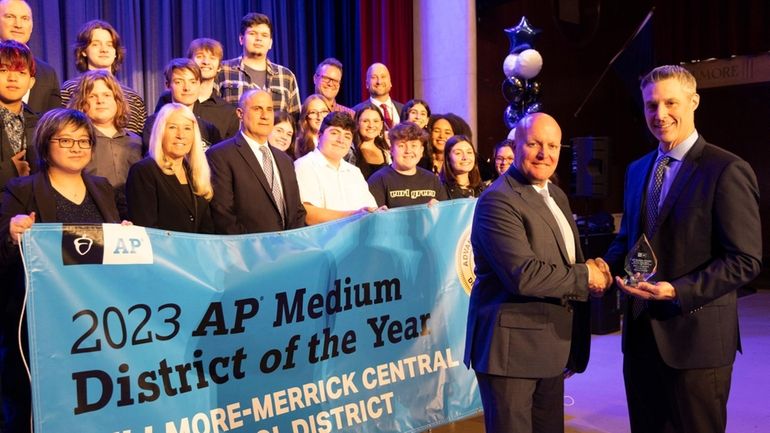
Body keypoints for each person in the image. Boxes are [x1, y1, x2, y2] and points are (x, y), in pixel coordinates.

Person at [603, 65, 762, 433]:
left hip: (698, 344)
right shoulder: (638, 169)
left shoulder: (726, 169)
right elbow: (628, 239)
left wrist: (678, 290)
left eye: (670, 102)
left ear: (694, 102)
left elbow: (745, 260)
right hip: (641, 337)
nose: (659, 114)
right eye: (650, 105)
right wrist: (603, 267)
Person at [464, 112, 611, 433]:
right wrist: (586, 277)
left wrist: (592, 271)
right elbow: (523, 274)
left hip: (550, 345)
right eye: (534, 144)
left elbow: (565, 259)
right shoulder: (497, 201)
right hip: (511, 352)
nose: (545, 154)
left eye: (553, 145)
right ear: (515, 146)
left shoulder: (555, 193)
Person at [0, 108, 123, 433]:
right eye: (65, 139)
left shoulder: (103, 188)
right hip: (42, 325)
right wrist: (12, 235)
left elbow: (109, 248)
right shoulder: (22, 189)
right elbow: (3, 245)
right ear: (45, 143)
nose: (76, 146)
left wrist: (125, 236)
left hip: (95, 322)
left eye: (83, 140)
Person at [206, 89, 305, 234]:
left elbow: (297, 211)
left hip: (290, 250)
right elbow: (224, 216)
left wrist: (296, 244)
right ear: (240, 113)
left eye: (269, 110)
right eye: (257, 109)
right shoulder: (220, 155)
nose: (265, 116)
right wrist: (253, 250)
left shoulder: (285, 161)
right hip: (248, 252)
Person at [126, 103, 213, 233]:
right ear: (160, 132)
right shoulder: (144, 171)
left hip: (196, 252)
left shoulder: (195, 173)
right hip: (162, 252)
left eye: (187, 128)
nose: (181, 135)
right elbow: (146, 228)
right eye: (172, 127)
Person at [68, 70, 141, 219]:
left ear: (117, 100)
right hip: (92, 215)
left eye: (107, 95)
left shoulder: (137, 142)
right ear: (82, 103)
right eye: (92, 96)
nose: (100, 101)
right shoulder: (76, 143)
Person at [60, 19, 147, 135]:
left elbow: (140, 140)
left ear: (115, 52)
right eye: (95, 44)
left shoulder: (134, 98)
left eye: (109, 45)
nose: (104, 50)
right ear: (83, 51)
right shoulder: (71, 89)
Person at [293, 111, 380, 225]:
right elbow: (308, 214)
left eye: (347, 136)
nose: (341, 140)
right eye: (334, 133)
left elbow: (370, 208)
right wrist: (353, 215)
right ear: (319, 136)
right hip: (322, 241)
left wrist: (377, 213)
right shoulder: (305, 165)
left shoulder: (354, 172)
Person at [154, 38, 239, 141]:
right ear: (190, 62)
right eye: (200, 56)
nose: (206, 62)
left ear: (219, 67)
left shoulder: (228, 113)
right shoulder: (168, 99)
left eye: (212, 58)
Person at [217, 12, 300, 117]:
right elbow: (212, 111)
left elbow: (295, 120)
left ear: (270, 43)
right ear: (241, 39)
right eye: (252, 33)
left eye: (264, 35)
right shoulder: (223, 70)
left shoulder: (286, 76)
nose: (258, 39)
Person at [143, 59, 221, 153]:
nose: (187, 88)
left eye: (192, 82)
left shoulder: (209, 129)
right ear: (168, 85)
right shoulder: (154, 123)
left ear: (199, 84)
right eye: (179, 82)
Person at [0, 0, 60, 114]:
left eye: (25, 18)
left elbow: (55, 124)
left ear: (32, 26)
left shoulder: (48, 73)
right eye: (10, 16)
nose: (18, 25)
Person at [367, 121, 446, 208]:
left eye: (414, 145)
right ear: (392, 150)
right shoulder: (378, 180)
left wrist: (439, 211)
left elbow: (446, 216)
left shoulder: (433, 180)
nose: (408, 151)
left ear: (421, 151)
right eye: (402, 145)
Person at [0, 40, 38, 190]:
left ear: (31, 82)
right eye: (3, 70)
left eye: (21, 72)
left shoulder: (40, 123)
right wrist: (10, 171)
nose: (13, 78)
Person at [352, 63, 402, 129]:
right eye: (374, 77)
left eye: (383, 77)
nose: (379, 81)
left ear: (390, 83)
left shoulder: (403, 109)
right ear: (367, 84)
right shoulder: (355, 112)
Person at [352, 104, 390, 179]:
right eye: (365, 121)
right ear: (357, 123)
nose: (371, 125)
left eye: (375, 121)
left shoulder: (386, 154)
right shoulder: (350, 152)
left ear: (381, 125)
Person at [293, 94, 329, 158]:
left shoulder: (335, 141)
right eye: (313, 112)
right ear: (305, 117)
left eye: (323, 111)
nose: (319, 117)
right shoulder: (298, 144)